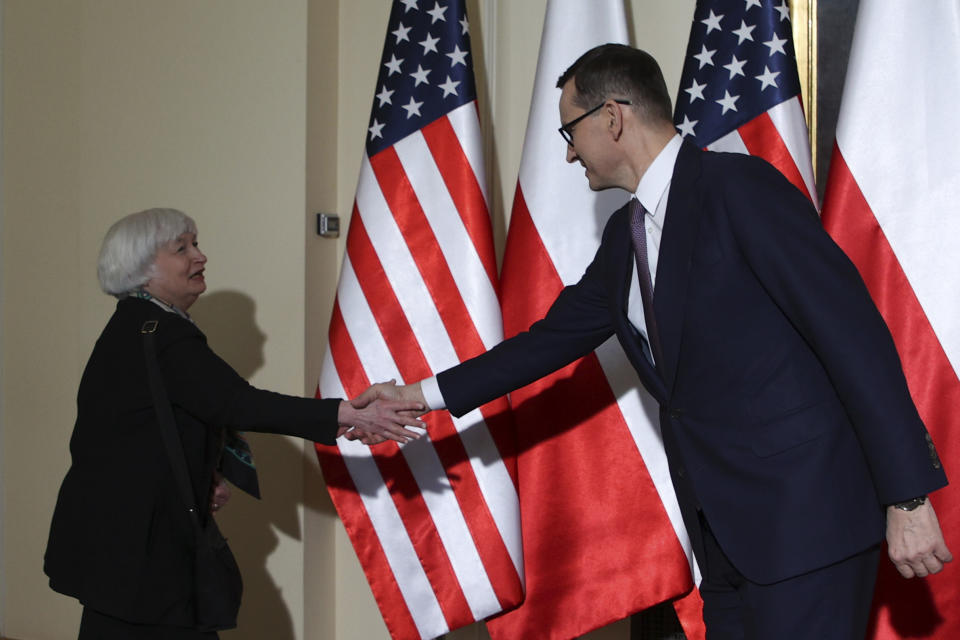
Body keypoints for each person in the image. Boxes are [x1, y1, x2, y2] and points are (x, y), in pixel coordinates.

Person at [364, 45, 951, 638]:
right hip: (725, 540)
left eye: (570, 131)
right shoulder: (627, 235)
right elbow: (544, 344)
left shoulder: (740, 188)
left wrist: (907, 497)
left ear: (612, 118)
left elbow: (852, 336)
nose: (568, 153)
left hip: (809, 528)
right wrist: (418, 395)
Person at [44, 208, 422, 639]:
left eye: (196, 243)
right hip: (140, 547)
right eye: (182, 248)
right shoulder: (163, 334)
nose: (200, 257)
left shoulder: (132, 327)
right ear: (141, 267)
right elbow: (236, 404)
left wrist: (204, 474)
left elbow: (144, 429)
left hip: (117, 541)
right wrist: (347, 413)